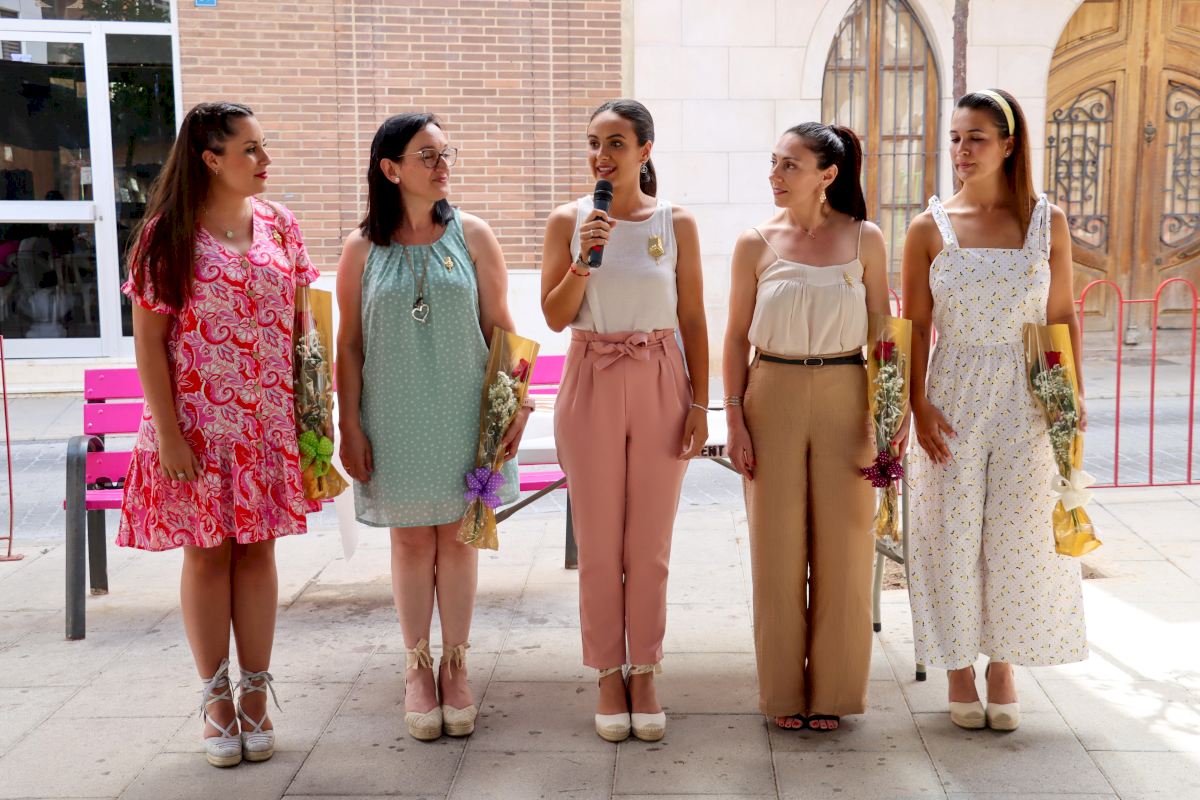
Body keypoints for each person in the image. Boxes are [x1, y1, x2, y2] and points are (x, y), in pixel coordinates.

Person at [119, 101, 317, 767]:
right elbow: (149, 344)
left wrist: (310, 407)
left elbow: (303, 323)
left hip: (267, 426)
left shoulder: (280, 224)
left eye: (263, 146)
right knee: (206, 556)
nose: (265, 160)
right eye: (251, 149)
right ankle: (215, 700)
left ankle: (255, 693)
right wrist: (169, 434)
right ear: (210, 159)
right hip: (197, 430)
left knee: (258, 553)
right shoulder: (166, 236)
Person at [335, 112, 533, 742]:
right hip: (392, 415)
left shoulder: (474, 235)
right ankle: (417, 665)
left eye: (446, 153)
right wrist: (348, 424)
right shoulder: (360, 248)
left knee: (460, 538)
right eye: (427, 155)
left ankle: (456, 664)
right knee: (412, 543)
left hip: (464, 413)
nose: (442, 165)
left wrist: (517, 406)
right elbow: (348, 345)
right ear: (391, 169)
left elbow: (503, 328)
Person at [902, 89, 1088, 732]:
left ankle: (1002, 665)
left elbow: (1060, 315)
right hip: (952, 390)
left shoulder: (1046, 221)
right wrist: (917, 403)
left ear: (1009, 145)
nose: (962, 149)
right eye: (955, 137)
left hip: (1029, 390)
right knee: (949, 533)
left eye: (976, 137)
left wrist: (1069, 398)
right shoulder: (928, 227)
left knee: (1017, 535)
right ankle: (958, 668)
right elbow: (914, 325)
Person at [541, 99, 708, 743]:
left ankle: (645, 670)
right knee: (598, 540)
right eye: (593, 143)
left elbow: (693, 319)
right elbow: (556, 316)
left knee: (650, 543)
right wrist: (583, 259)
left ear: (645, 150)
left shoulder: (677, 223)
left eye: (615, 142)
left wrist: (700, 404)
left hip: (661, 374)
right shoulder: (569, 221)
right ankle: (608, 672)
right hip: (591, 374)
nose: (601, 156)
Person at [722, 123, 889, 732]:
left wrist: (888, 415)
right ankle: (782, 692)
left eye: (789, 164)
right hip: (772, 393)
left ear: (827, 175)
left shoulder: (866, 238)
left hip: (849, 394)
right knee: (776, 551)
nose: (775, 174)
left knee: (847, 548)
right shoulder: (754, 243)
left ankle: (835, 693)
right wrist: (734, 417)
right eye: (774, 162)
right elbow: (734, 338)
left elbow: (883, 332)